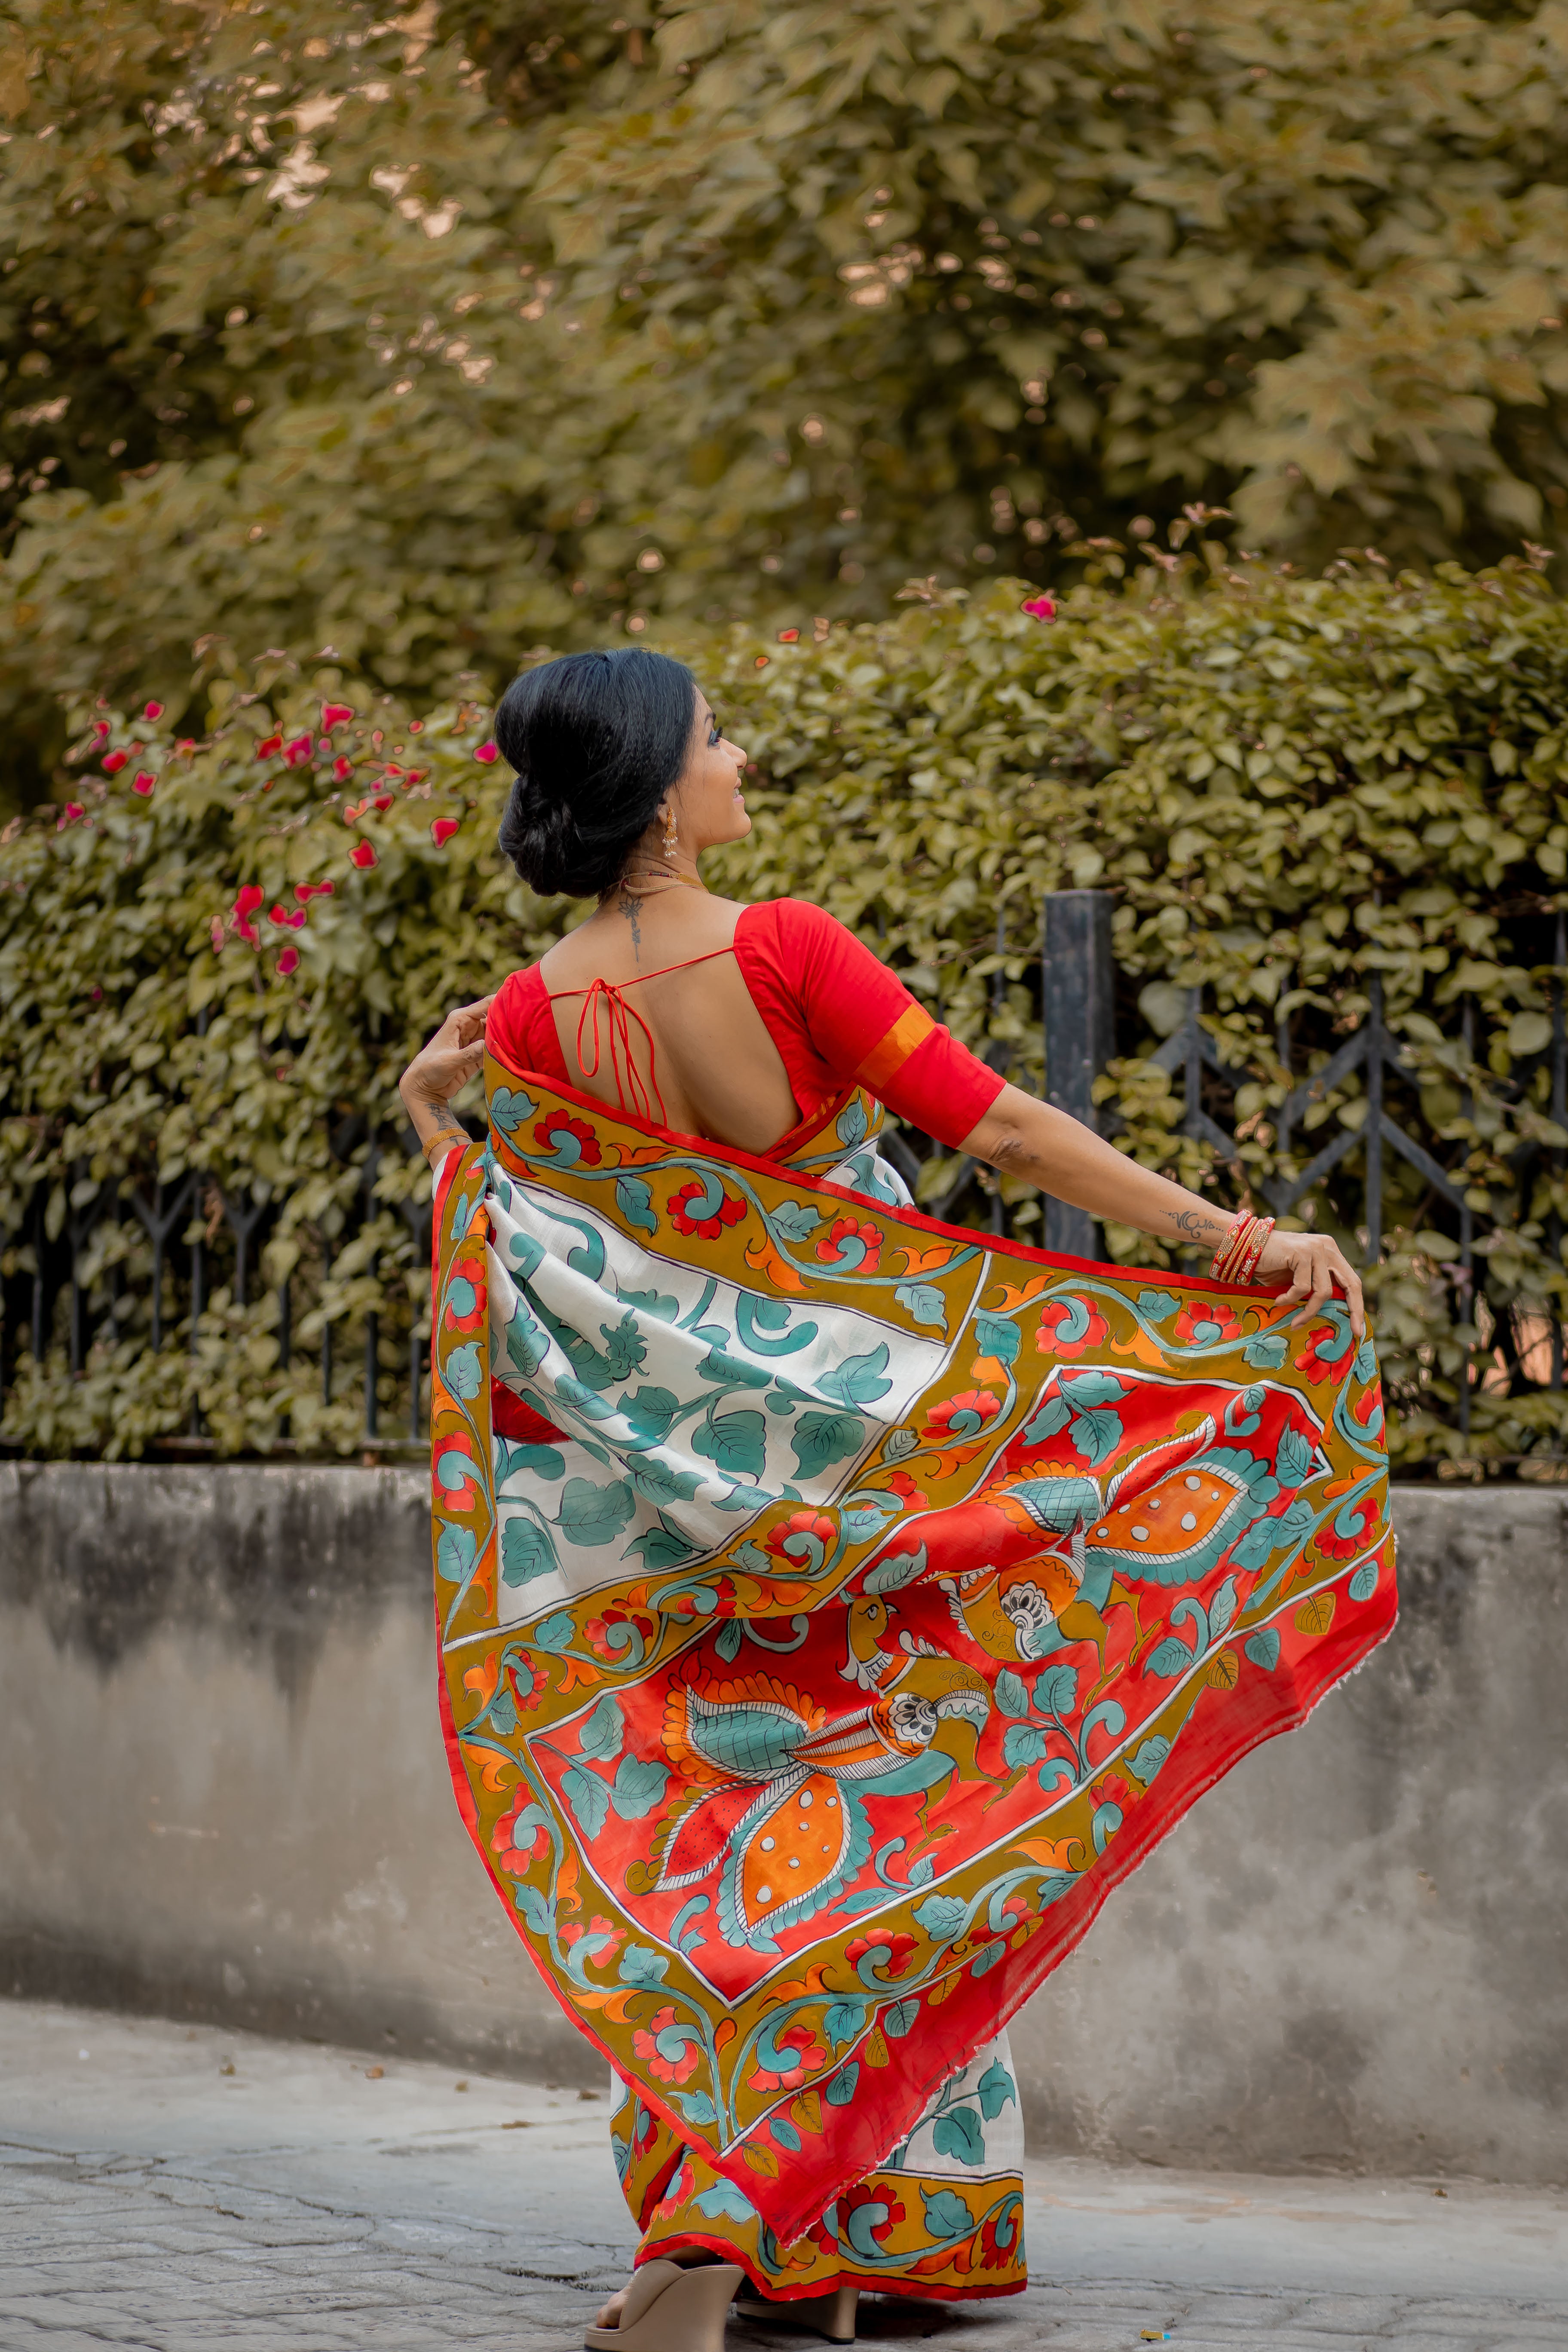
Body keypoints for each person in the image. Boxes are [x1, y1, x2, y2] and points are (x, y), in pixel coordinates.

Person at [400, 649, 1390, 2351]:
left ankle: (763, 2231)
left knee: (738, 1835)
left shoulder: (523, 1021)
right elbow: (1003, 1133)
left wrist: (437, 1113)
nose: (738, 757)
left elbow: (550, 1266)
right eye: (715, 738)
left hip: (696, 1508)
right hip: (885, 1452)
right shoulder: (784, 947)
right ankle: (791, 2232)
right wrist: (1234, 1244)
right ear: (657, 789)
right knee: (912, 1817)